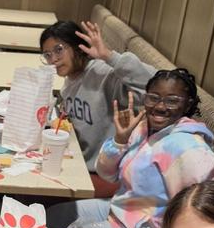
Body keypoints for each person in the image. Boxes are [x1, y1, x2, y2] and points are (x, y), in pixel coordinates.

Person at [47, 67, 214, 228]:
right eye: (153, 98)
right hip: (120, 210)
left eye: (172, 101)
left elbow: (200, 214)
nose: (160, 106)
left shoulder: (189, 149)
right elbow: (107, 173)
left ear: (188, 104)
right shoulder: (143, 128)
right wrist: (119, 140)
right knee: (51, 216)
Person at [40, 20, 155, 197]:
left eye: (59, 49)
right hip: (79, 162)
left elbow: (153, 86)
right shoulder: (70, 80)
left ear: (77, 46)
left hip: (107, 174)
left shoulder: (103, 74)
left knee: (41, 192)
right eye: (48, 55)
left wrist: (109, 57)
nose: (53, 59)